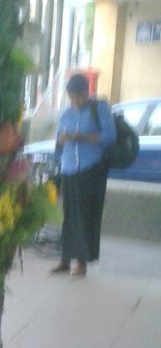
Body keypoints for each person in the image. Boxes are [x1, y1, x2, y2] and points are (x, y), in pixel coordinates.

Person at [51, 72, 116, 278]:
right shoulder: (66, 114)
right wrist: (62, 141)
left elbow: (109, 136)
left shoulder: (99, 108)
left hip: (90, 167)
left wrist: (82, 136)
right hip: (69, 168)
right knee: (69, 215)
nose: (76, 102)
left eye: (79, 97)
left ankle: (81, 262)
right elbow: (58, 143)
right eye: (72, 98)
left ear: (87, 93)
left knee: (85, 215)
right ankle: (65, 258)